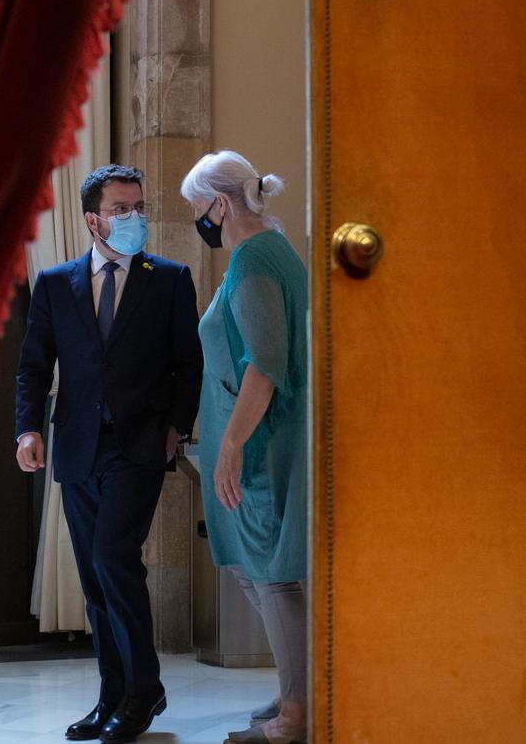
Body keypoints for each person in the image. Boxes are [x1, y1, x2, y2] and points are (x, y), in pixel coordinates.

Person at [15, 164, 203, 744]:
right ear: (93, 219)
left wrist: (176, 427)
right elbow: (33, 367)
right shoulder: (54, 283)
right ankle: (112, 695)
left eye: (139, 207)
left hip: (139, 447)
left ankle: (143, 691)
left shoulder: (168, 279)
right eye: (122, 209)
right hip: (76, 448)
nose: (135, 218)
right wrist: (27, 430)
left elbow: (188, 366)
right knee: (97, 578)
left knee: (113, 559)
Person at [181, 151, 310, 744]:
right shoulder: (268, 248)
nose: (197, 221)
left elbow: (265, 364)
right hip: (254, 437)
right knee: (253, 571)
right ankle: (298, 689)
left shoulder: (256, 258)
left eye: (197, 209)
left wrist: (230, 443)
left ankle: (294, 715)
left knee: (273, 573)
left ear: (221, 205)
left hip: (258, 442)